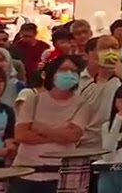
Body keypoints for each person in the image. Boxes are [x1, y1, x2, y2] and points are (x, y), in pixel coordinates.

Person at [12, 55, 94, 193]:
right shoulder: (33, 100)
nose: (68, 74)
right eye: (63, 70)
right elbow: (21, 135)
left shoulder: (82, 104)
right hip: (25, 172)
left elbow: (72, 136)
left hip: (61, 174)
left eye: (73, 71)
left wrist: (41, 128)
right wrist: (59, 134)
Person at [77, 35, 122, 151]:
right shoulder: (84, 84)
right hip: (89, 147)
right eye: (104, 48)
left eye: (114, 48)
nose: (110, 52)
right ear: (96, 53)